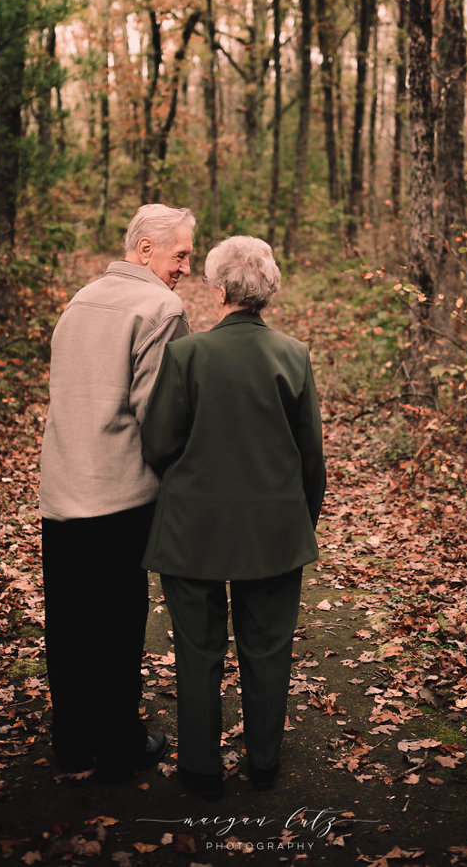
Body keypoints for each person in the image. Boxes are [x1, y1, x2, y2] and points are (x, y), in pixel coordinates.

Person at [140, 235, 326, 801]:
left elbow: (159, 443)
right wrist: (299, 521)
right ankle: (263, 763)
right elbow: (310, 456)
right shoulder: (293, 355)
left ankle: (201, 767)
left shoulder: (187, 355)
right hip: (273, 530)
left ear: (219, 291)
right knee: (267, 647)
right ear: (265, 291)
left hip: (193, 530)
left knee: (198, 648)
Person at [39, 203, 195, 780]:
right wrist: (179, 475)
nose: (187, 267)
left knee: (70, 619)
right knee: (117, 618)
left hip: (60, 486)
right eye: (180, 254)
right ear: (146, 249)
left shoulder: (81, 298)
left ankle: (74, 741)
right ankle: (120, 745)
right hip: (119, 493)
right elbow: (158, 414)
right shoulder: (161, 307)